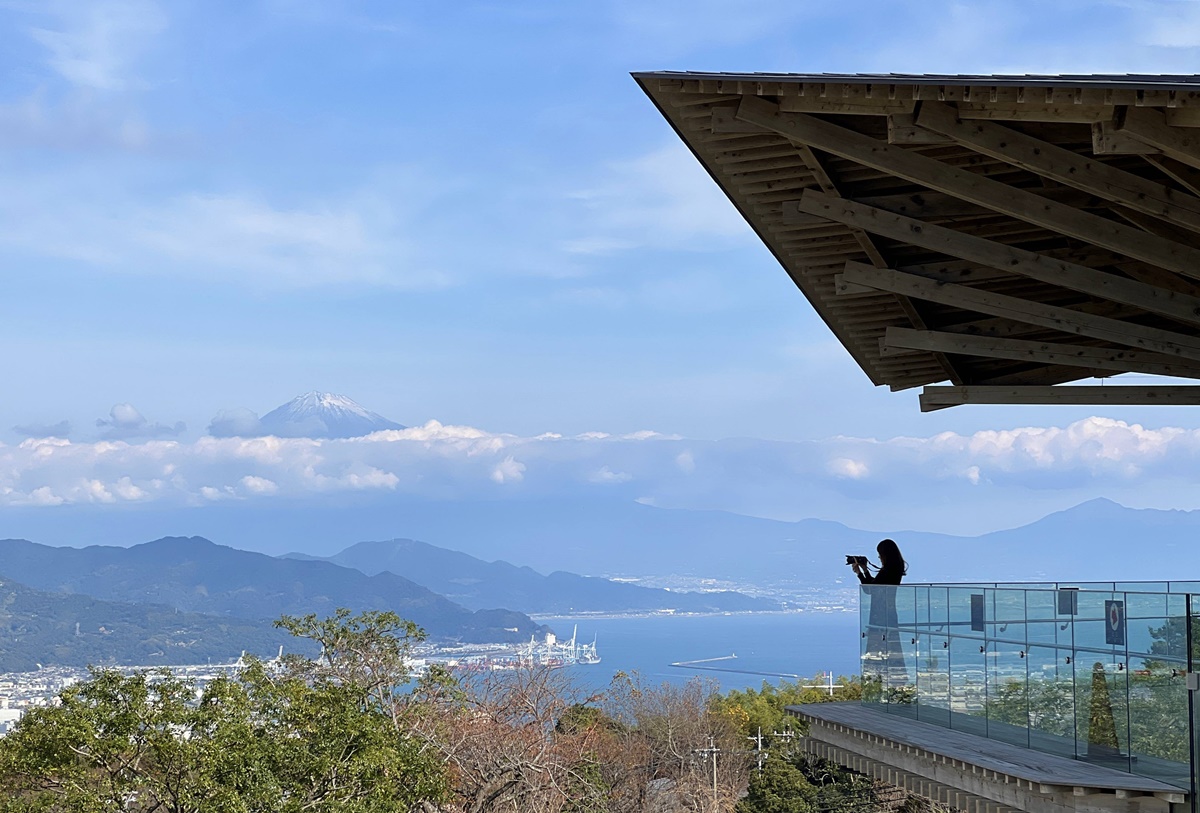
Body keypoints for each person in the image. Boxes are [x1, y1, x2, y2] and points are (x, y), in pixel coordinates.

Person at [850, 539, 908, 695]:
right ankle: (895, 687)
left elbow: (871, 590)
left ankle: (878, 688)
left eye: (880, 555)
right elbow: (874, 586)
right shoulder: (895, 569)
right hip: (889, 613)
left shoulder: (887, 570)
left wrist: (861, 573)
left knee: (877, 651)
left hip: (880, 616)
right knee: (892, 650)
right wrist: (863, 572)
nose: (879, 558)